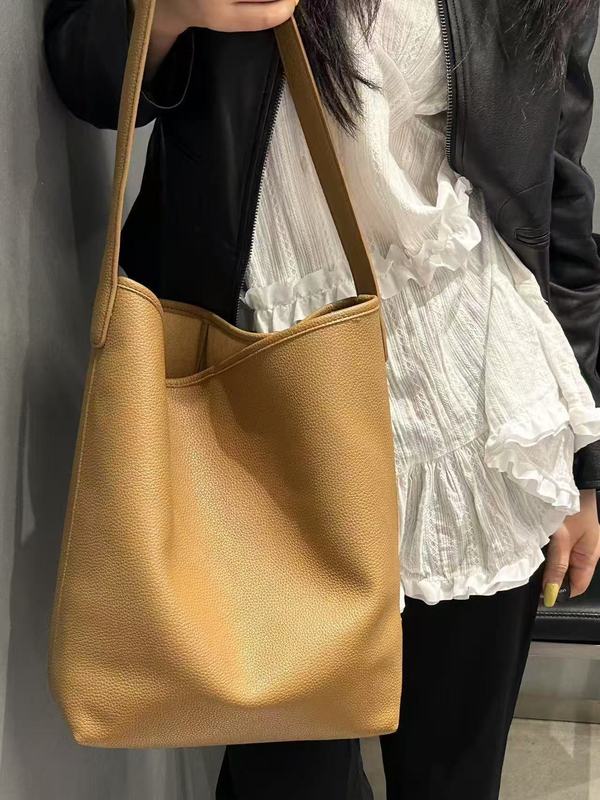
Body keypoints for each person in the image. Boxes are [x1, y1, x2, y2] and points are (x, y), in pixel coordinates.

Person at [44, 0, 600, 797]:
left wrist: (583, 466)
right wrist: (168, 12)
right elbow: (84, 67)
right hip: (263, 402)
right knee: (288, 779)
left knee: (455, 776)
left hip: (482, 415)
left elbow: (556, 201)